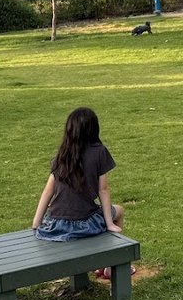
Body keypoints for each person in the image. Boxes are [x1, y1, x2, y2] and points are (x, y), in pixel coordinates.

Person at [32, 108, 125, 275]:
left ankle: (103, 264)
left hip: (56, 225)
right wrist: (109, 223)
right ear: (94, 129)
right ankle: (111, 267)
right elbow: (103, 190)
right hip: (83, 225)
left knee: (99, 213)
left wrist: (36, 223)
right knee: (119, 211)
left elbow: (47, 191)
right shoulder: (99, 151)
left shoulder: (63, 155)